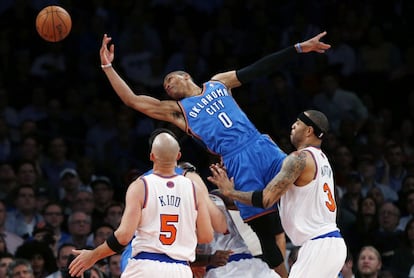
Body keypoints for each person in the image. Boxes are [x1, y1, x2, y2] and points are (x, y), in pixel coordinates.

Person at [100, 29, 330, 277]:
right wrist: (107, 66)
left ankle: (324, 237)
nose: (167, 86)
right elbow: (133, 100)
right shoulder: (177, 111)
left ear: (186, 76)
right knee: (265, 230)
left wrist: (297, 48)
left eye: (170, 80)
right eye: (164, 86)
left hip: (260, 145)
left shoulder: (218, 82)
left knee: (302, 189)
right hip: (236, 160)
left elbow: (257, 69)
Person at [208, 110, 347, 277]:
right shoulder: (321, 160)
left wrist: (230, 191)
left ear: (309, 130)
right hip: (328, 243)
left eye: (298, 122)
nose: (293, 125)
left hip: (319, 245)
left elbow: (265, 199)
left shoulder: (299, 158)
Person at [68, 132, 214, 278]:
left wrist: (94, 255)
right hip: (181, 269)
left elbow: (124, 236)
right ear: (178, 156)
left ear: (151, 156)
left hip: (146, 266)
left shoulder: (141, 185)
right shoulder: (195, 189)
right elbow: (206, 237)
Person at [192, 191, 280, 278]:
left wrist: (231, 191)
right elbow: (184, 255)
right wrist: (209, 259)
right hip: (220, 268)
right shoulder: (184, 208)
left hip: (248, 259)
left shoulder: (215, 195)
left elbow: (249, 202)